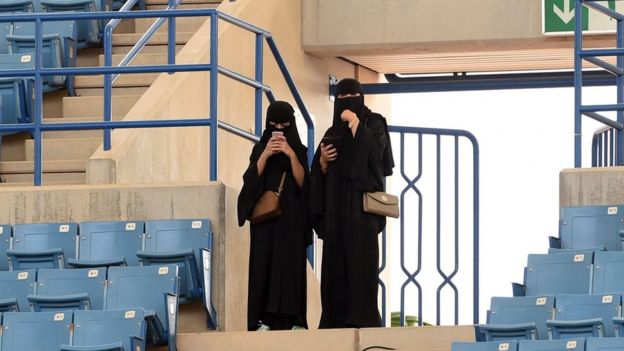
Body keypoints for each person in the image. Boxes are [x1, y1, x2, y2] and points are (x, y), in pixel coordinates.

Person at [310, 78, 394, 329]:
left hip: (362, 216)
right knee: (335, 270)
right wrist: (323, 163)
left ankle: (364, 320)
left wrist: (356, 123)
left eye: (352, 97)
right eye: (342, 99)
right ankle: (334, 322)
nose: (347, 104)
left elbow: (374, 158)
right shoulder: (331, 131)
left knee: (362, 268)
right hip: (336, 215)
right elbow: (318, 173)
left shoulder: (374, 123)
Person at [237, 101, 312, 331]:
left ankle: (293, 319)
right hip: (265, 223)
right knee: (264, 266)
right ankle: (262, 320)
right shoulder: (260, 149)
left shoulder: (298, 150)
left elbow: (304, 184)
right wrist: (266, 154)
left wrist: (290, 154)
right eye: (274, 125)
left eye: (284, 125)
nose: (279, 129)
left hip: (291, 221)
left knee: (290, 268)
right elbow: (250, 180)